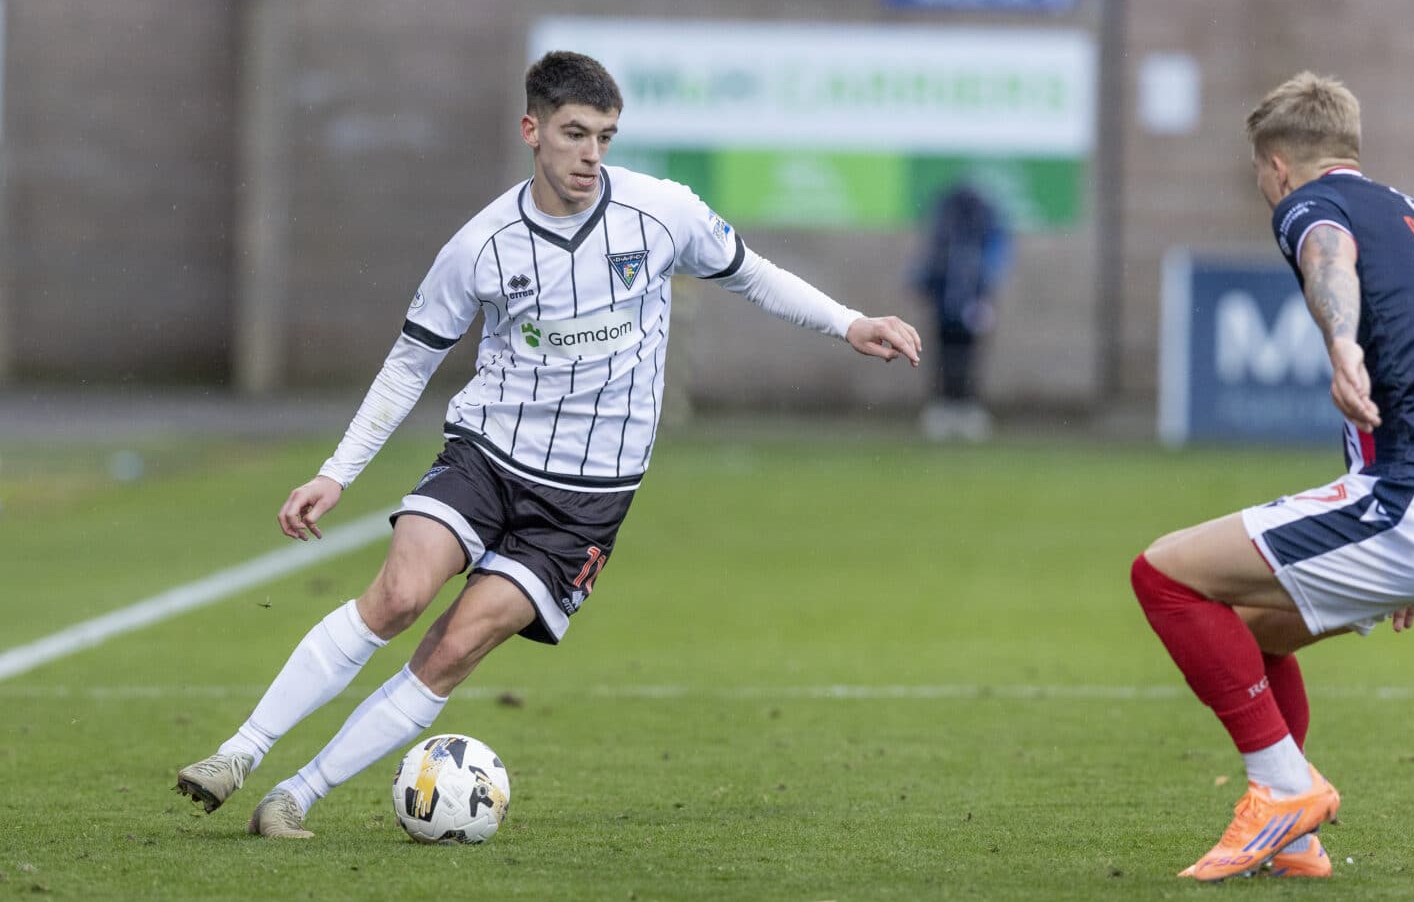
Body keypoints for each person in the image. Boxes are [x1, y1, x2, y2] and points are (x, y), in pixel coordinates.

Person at [175, 51, 923, 837]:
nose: (591, 154)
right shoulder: (480, 246)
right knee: (398, 595)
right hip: (488, 456)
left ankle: (295, 797)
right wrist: (337, 473)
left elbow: (752, 274)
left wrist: (849, 323)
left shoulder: (661, 213)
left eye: (604, 136)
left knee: (452, 649)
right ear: (532, 130)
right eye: (574, 134)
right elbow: (409, 363)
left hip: (587, 499)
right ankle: (239, 752)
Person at [1131, 72, 1414, 881]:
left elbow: (1325, 256)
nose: (1265, 188)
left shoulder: (1311, 204)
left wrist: (1341, 347)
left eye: (1260, 173)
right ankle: (1295, 840)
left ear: (1277, 166)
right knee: (1248, 628)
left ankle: (1282, 789)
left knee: (1162, 576)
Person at [910, 183, 1011, 442]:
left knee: (965, 356)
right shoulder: (950, 230)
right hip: (947, 306)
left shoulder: (975, 231)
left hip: (967, 304)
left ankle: (965, 406)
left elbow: (993, 263)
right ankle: (945, 406)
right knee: (944, 355)